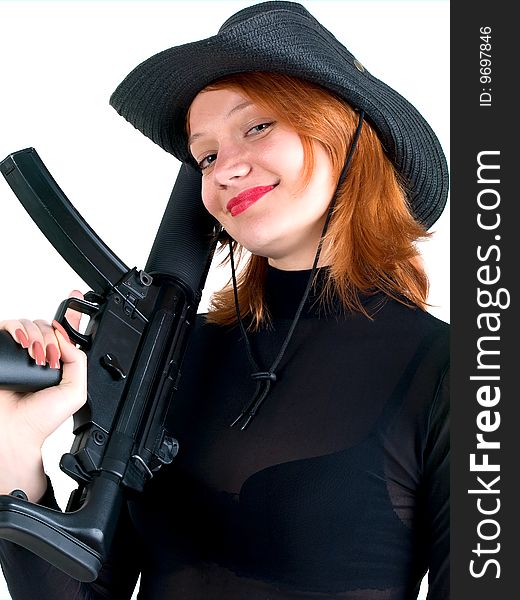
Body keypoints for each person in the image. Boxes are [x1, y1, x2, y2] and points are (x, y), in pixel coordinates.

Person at [0, 2, 449, 599]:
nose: (225, 170)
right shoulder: (165, 360)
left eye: (257, 126)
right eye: (205, 155)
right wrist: (15, 443)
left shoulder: (456, 372)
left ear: (346, 132)